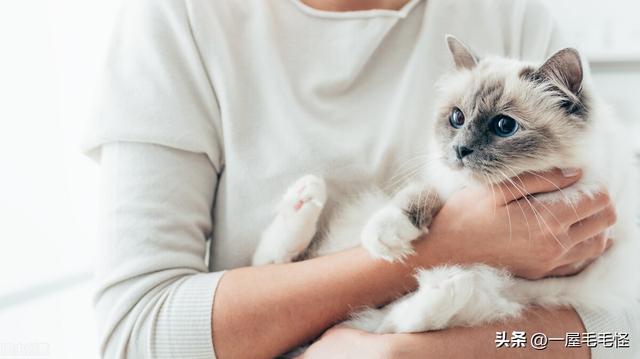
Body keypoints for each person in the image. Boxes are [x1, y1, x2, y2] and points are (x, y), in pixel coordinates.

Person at [84, 0, 639, 358]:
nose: (466, 145)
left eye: (498, 127)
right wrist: (440, 248)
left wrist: (418, 354)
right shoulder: (178, 19)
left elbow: (626, 334)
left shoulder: (511, 14)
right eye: (456, 121)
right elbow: (135, 336)